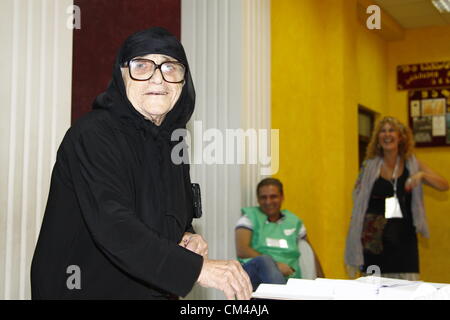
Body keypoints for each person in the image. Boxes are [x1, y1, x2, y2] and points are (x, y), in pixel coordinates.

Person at [31, 27, 252, 300]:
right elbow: (115, 225)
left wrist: (187, 235)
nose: (158, 79)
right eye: (142, 66)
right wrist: (199, 270)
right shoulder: (93, 135)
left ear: (184, 81)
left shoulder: (174, 140)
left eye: (170, 67)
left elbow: (175, 215)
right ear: (122, 75)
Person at [345, 116, 449, 280]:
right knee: (374, 293)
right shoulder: (369, 166)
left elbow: (444, 185)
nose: (387, 134)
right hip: (374, 244)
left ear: (401, 137)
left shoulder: (412, 164)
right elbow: (357, 199)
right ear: (378, 139)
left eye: (391, 130)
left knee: (406, 292)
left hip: (404, 243)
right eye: (383, 131)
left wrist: (422, 176)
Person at [235, 178, 324, 290]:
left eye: (273, 197)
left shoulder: (294, 222)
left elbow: (310, 252)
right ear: (258, 200)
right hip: (253, 278)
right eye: (263, 197)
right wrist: (275, 265)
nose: (268, 202)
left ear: (282, 197)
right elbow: (242, 250)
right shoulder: (248, 219)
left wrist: (322, 283)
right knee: (265, 261)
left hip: (289, 278)